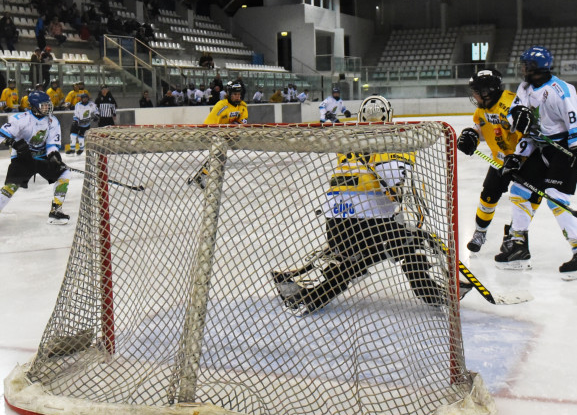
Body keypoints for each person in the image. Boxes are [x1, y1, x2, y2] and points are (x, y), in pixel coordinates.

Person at [273, 95, 446, 316]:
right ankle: (430, 292)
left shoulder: (348, 141)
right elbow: (391, 177)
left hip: (335, 217)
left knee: (352, 261)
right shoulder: (395, 140)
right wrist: (400, 197)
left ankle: (310, 296)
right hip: (371, 218)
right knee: (409, 243)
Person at [496, 45, 577, 280]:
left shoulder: (560, 90)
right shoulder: (525, 87)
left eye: (524, 65)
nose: (521, 69)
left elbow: (574, 120)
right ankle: (518, 244)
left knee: (554, 196)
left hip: (562, 148)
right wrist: (517, 154)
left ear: (534, 68)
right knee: (519, 189)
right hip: (540, 147)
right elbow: (516, 116)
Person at [456, 68, 523, 253]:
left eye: (476, 92)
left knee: (521, 201)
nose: (474, 96)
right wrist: (472, 135)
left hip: (522, 161)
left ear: (488, 91)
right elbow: (481, 127)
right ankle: (480, 232)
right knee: (487, 197)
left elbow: (526, 136)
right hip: (499, 162)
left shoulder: (511, 105)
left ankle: (515, 235)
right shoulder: (482, 109)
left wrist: (517, 157)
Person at [0, 90, 72, 224]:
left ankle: (56, 211)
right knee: (11, 186)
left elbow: (52, 144)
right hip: (23, 159)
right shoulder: (20, 119)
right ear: (34, 106)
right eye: (43, 105)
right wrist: (14, 143)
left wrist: (54, 156)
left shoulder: (52, 121)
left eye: (48, 104)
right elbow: (2, 135)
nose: (47, 107)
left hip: (41, 157)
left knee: (65, 173)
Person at [187, 80, 248, 189]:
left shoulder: (242, 106)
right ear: (229, 94)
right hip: (214, 133)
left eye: (239, 94)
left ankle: (201, 177)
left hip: (225, 135)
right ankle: (202, 178)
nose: (237, 97)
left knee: (218, 159)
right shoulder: (221, 106)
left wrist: (232, 131)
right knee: (218, 158)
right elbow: (210, 124)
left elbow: (242, 122)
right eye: (235, 94)